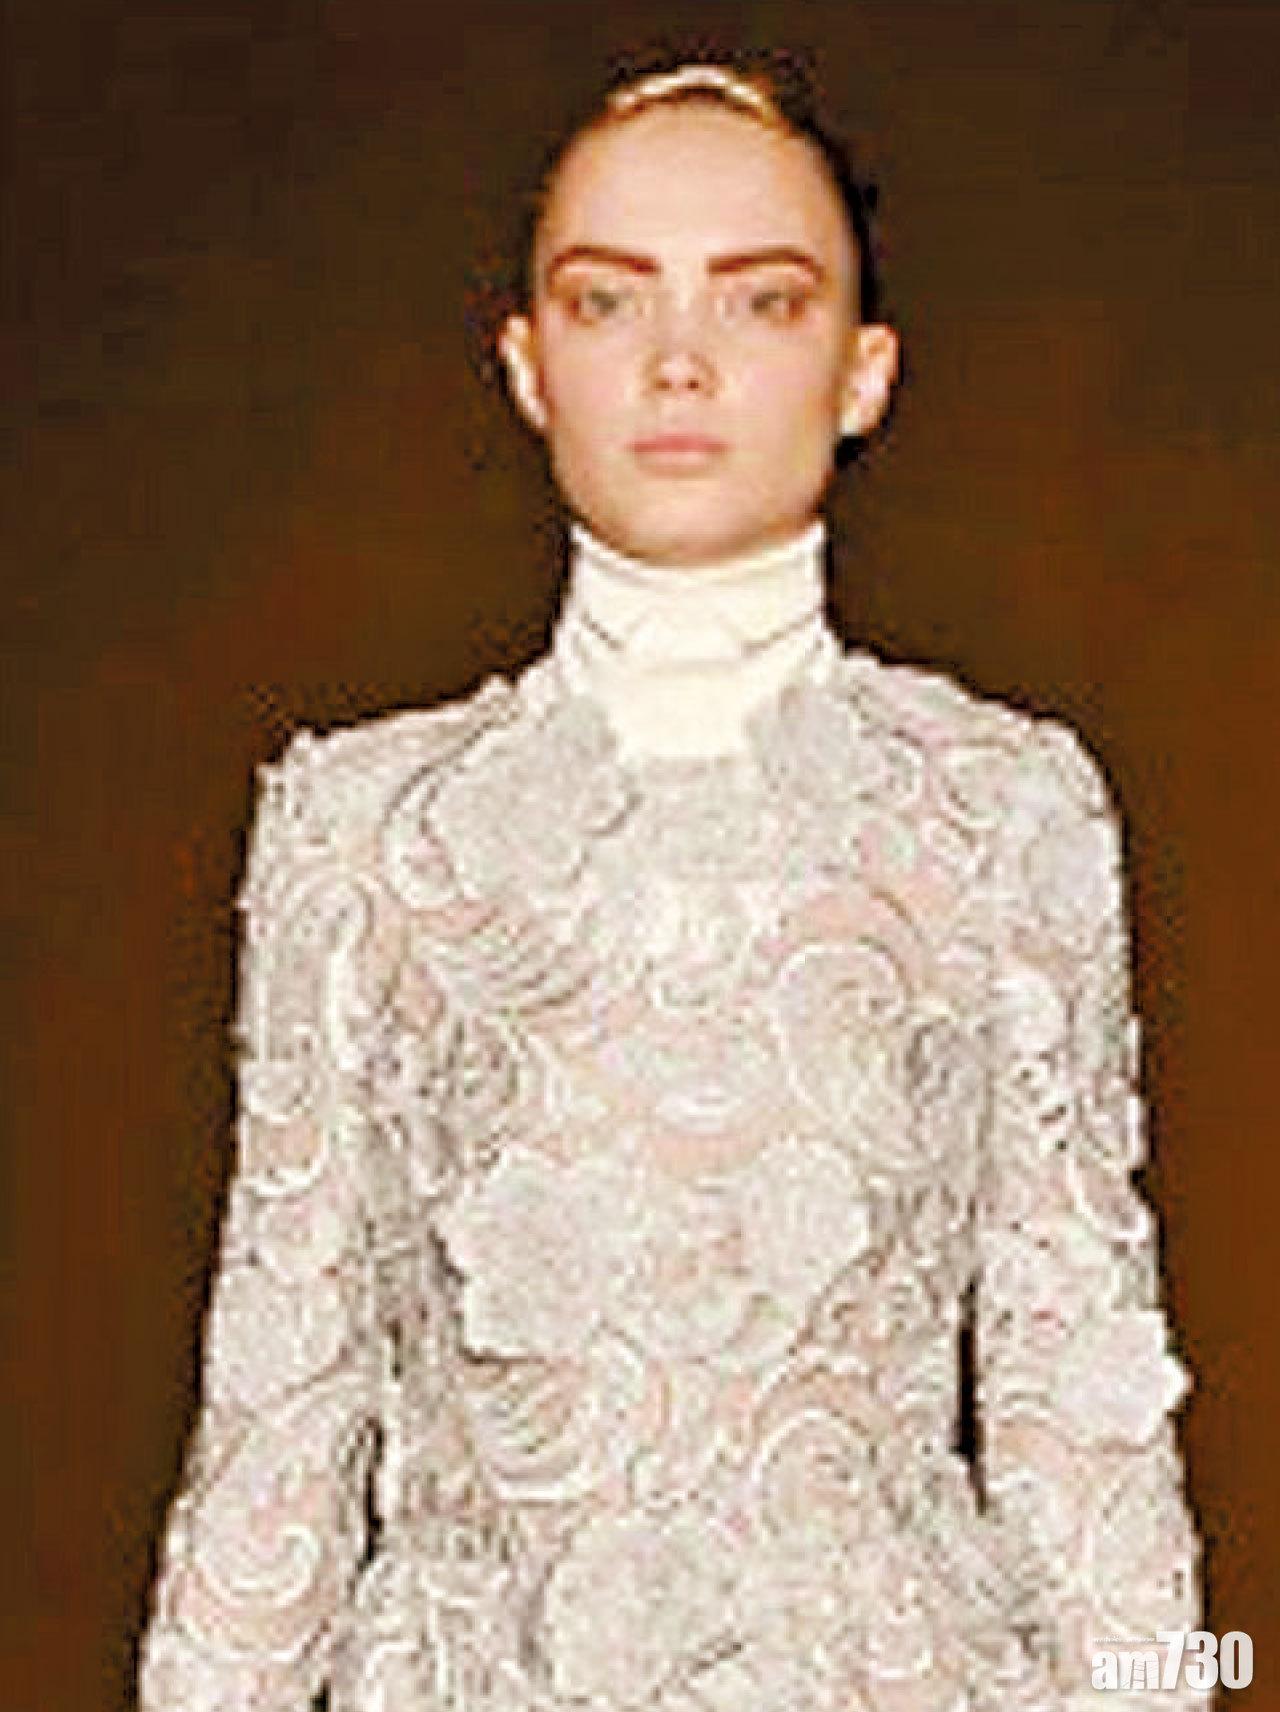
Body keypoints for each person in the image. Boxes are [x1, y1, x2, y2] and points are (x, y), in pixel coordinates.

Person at [137, 54, 1205, 1712]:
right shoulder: (367, 831)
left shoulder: (1002, 814)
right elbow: (280, 1413)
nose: (680, 360)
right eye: (607, 300)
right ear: (526, 363)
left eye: (762, 301)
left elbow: (1086, 1420)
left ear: (864, 372)